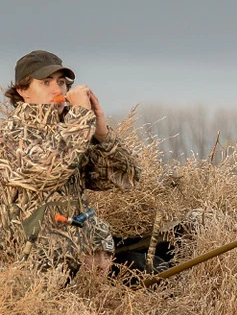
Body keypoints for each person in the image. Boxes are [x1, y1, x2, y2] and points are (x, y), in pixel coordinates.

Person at [0, 50, 140, 278]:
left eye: (62, 82)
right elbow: (50, 170)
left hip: (79, 276)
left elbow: (125, 177)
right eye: (45, 82)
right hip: (28, 280)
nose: (57, 90)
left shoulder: (71, 133)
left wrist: (102, 132)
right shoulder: (8, 136)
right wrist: (81, 118)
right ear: (22, 91)